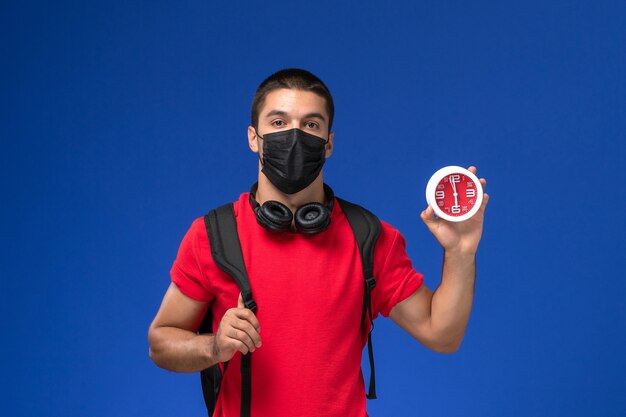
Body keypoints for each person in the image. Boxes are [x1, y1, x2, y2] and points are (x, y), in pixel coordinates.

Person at [148, 68, 490, 417]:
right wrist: (215, 347)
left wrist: (460, 250)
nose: (294, 136)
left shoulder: (369, 237)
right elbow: (161, 342)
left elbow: (442, 334)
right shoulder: (214, 234)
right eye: (278, 123)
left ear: (328, 143)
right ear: (253, 137)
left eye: (310, 125)